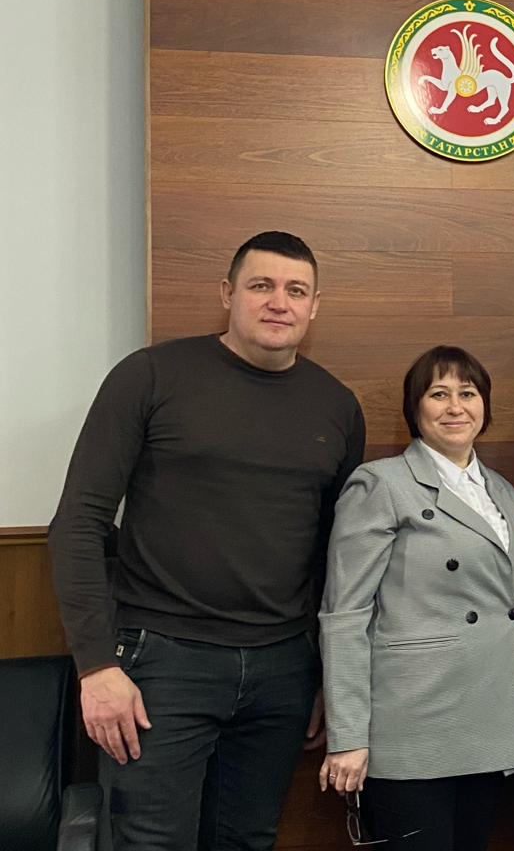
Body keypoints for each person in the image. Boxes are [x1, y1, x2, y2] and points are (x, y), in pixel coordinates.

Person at [47, 231, 366, 851]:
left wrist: (331, 676)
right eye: (261, 285)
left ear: (314, 306)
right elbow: (79, 521)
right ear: (227, 293)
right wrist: (97, 666)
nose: (279, 302)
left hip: (282, 668)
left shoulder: (336, 406)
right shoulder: (151, 375)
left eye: (296, 290)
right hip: (161, 662)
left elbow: (336, 554)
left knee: (247, 840)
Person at [318, 346, 514, 851]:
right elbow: (344, 615)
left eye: (468, 393)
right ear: (414, 408)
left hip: (487, 719)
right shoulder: (381, 484)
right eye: (439, 394)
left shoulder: (502, 491)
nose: (455, 406)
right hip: (413, 726)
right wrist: (348, 736)